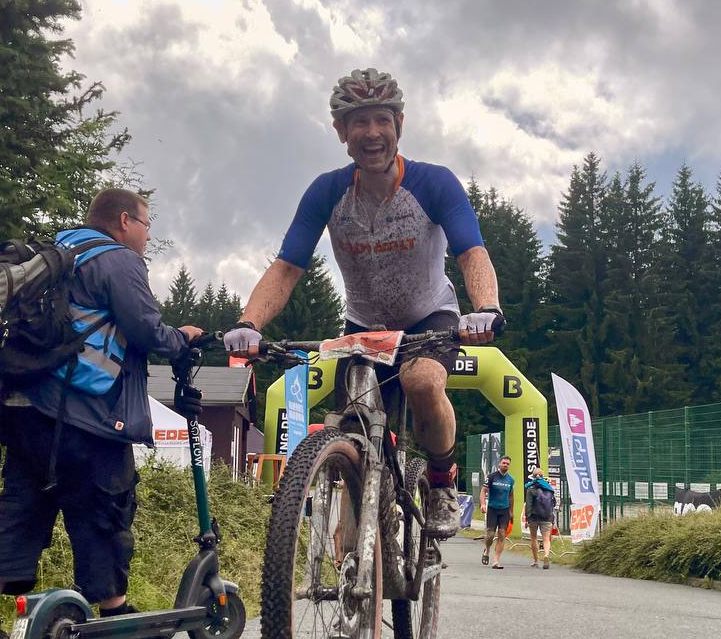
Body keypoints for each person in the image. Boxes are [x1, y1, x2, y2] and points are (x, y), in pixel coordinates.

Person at [224, 68, 503, 540]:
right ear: (341, 132)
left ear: (399, 123)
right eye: (359, 122)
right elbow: (287, 267)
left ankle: (440, 478)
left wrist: (487, 309)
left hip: (428, 318)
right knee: (351, 426)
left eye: (381, 120)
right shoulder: (327, 192)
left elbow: (471, 251)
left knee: (420, 380)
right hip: (363, 326)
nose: (372, 133)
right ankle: (360, 546)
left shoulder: (434, 183)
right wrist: (249, 322)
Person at [0, 188, 203, 639]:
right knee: (102, 506)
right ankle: (114, 615)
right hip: (82, 413)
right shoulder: (118, 260)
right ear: (125, 221)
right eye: (146, 225)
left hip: (20, 405)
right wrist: (180, 339)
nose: (146, 235)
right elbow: (146, 330)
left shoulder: (54, 254)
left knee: (21, 506)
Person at [480, 456, 515, 569]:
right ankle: (487, 550)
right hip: (492, 509)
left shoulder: (511, 479)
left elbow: (511, 496)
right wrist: (483, 504)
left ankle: (496, 560)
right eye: (504, 463)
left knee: (502, 534)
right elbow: (483, 491)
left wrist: (511, 511)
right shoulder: (491, 477)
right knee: (490, 535)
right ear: (499, 464)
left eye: (507, 464)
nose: (505, 465)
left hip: (504, 510)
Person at [522, 467, 556, 569]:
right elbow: (553, 503)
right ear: (542, 475)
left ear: (533, 476)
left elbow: (529, 505)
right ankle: (546, 555)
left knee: (534, 538)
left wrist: (527, 518)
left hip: (534, 517)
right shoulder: (549, 488)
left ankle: (536, 560)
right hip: (547, 517)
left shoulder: (531, 489)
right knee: (546, 539)